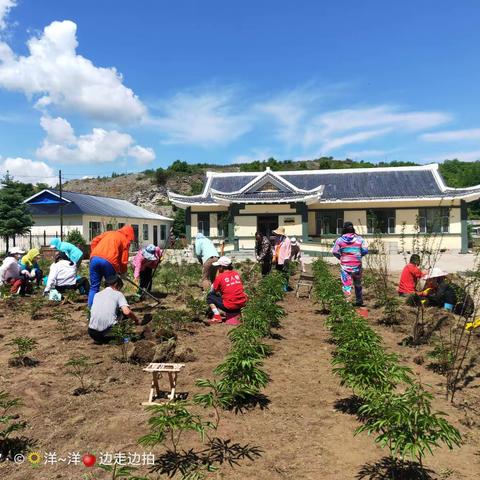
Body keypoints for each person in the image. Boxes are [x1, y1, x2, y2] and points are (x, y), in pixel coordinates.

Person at [88, 225, 135, 307]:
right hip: (109, 262)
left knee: (94, 287)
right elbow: (123, 260)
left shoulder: (108, 233)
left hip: (94, 259)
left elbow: (94, 241)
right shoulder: (125, 240)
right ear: (129, 235)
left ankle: (90, 311)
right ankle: (113, 309)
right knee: (112, 287)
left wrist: (95, 252)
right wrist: (123, 272)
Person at [88, 274, 140, 344]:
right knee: (123, 314)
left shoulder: (97, 295)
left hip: (92, 333)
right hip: (108, 333)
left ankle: (101, 340)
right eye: (119, 287)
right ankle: (120, 338)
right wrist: (136, 320)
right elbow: (127, 312)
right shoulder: (118, 294)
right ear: (116, 284)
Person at [332, 222, 368, 306]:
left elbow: (334, 251)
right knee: (358, 284)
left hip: (345, 267)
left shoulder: (339, 240)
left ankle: (347, 302)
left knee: (346, 285)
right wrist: (358, 255)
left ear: (343, 229)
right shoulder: (360, 239)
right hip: (357, 266)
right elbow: (365, 250)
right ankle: (359, 301)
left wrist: (341, 258)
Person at [207, 256, 248, 323]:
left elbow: (213, 290)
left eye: (219, 266)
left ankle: (217, 316)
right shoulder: (236, 274)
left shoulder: (219, 277)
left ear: (221, 267)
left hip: (230, 306)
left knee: (210, 297)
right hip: (241, 304)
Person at [272, 227, 291, 291]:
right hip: (278, 259)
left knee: (285, 273)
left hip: (284, 260)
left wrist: (286, 259)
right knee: (279, 273)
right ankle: (279, 285)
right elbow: (275, 248)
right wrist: (274, 256)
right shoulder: (277, 239)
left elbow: (288, 251)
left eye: (277, 233)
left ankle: (285, 287)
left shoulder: (287, 240)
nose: (276, 235)